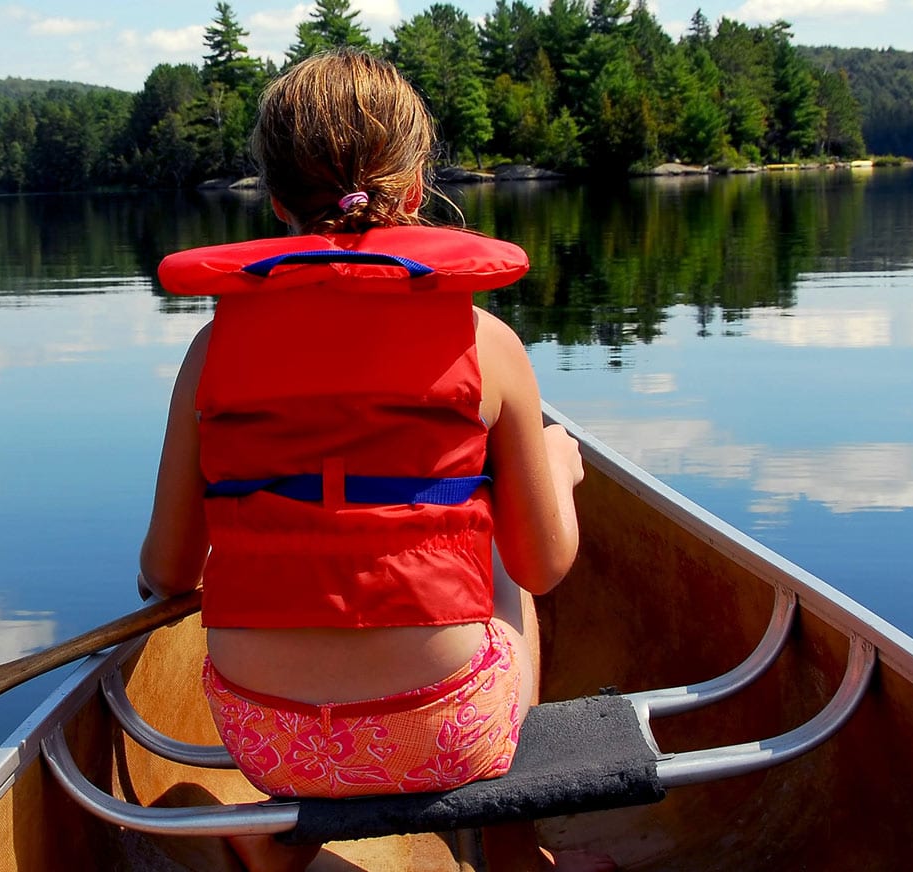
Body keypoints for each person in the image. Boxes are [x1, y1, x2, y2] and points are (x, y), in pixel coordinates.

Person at [139, 48, 587, 872]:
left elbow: (168, 573)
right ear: (416, 192)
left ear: (275, 200)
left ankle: (281, 840)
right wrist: (554, 470)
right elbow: (547, 565)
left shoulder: (212, 353)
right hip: (449, 732)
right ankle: (512, 840)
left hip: (265, 741)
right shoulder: (487, 344)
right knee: (505, 551)